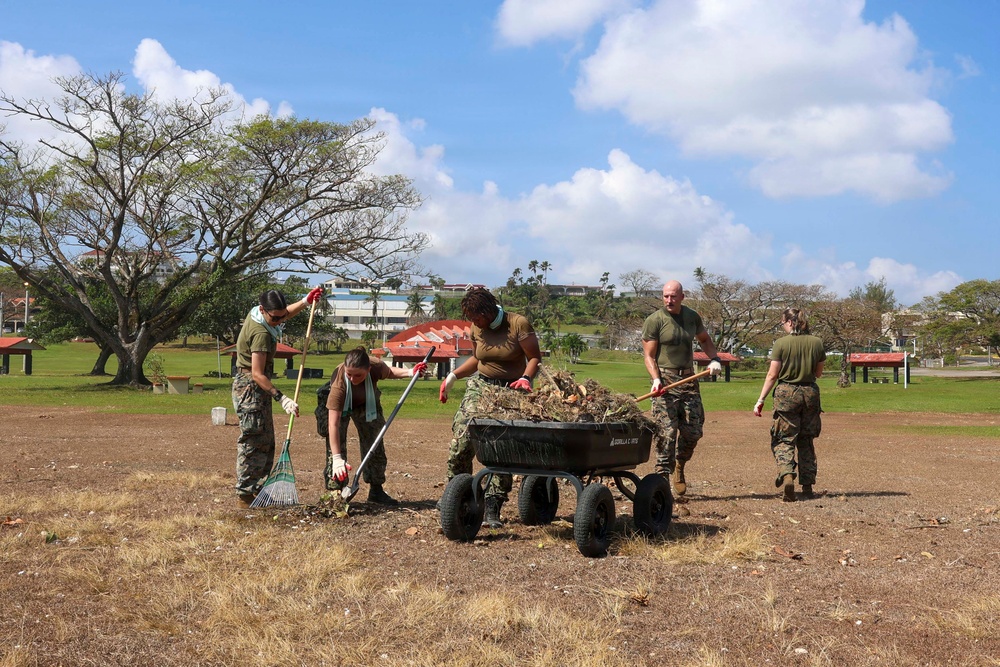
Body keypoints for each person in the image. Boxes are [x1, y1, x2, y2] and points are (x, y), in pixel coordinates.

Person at [439, 287, 542, 528]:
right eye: (470, 318)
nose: (474, 322)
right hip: (481, 386)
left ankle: (493, 504)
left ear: (487, 311)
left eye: (476, 317)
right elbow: (477, 359)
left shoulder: (517, 324)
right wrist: (452, 377)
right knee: (462, 439)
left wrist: (526, 378)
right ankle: (457, 495)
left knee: (500, 446)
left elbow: (535, 358)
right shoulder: (477, 328)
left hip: (511, 388)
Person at [232, 286, 324, 508]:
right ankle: (245, 494)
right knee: (254, 440)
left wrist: (305, 301)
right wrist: (281, 398)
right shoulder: (261, 334)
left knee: (266, 440)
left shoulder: (259, 314)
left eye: (282, 316)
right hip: (251, 387)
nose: (280, 321)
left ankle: (257, 489)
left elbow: (284, 313)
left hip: (257, 387)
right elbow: (257, 374)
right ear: (263, 310)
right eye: (275, 318)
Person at [641, 280, 723, 498]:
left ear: (682, 297)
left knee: (693, 432)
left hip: (689, 380)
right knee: (666, 433)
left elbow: (704, 339)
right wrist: (656, 379)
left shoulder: (692, 317)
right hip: (665, 382)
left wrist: (714, 358)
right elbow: (649, 356)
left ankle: (680, 465)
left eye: (673, 296)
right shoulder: (654, 320)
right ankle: (661, 485)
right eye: (666, 296)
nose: (669, 300)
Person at [320, 346, 427, 504]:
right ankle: (336, 492)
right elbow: (333, 425)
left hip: (367, 402)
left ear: (368, 370)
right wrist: (337, 459)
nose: (353, 379)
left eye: (358, 375)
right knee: (336, 446)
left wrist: (411, 372)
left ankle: (376, 490)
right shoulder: (339, 385)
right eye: (349, 374)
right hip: (342, 404)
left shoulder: (376, 366)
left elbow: (389, 372)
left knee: (374, 441)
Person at [753, 308, 826, 502]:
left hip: (786, 393)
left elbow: (772, 375)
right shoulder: (817, 342)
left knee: (784, 438)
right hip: (810, 394)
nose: (782, 325)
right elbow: (818, 373)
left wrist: (761, 399)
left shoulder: (781, 344)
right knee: (806, 440)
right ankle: (807, 486)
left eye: (783, 322)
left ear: (791, 322)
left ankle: (787, 475)